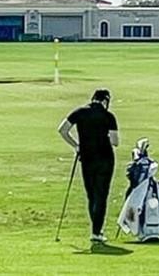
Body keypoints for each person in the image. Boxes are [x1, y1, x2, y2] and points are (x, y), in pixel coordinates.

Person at [58, 88, 120, 243]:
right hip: (105, 159)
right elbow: (115, 142)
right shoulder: (108, 116)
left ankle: (96, 230)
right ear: (105, 101)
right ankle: (96, 232)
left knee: (91, 195)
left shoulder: (80, 112)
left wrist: (76, 145)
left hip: (87, 158)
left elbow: (63, 130)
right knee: (101, 195)